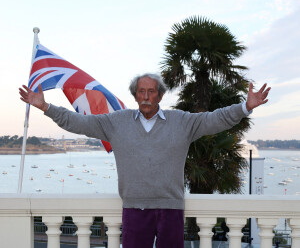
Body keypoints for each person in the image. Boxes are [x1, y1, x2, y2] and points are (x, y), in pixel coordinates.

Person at [19, 73, 270, 248]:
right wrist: (46, 106)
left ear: (160, 95)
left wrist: (245, 107)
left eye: (151, 91)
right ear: (136, 95)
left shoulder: (182, 121)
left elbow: (216, 119)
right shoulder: (115, 122)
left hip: (171, 208)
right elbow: (79, 122)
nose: (146, 96)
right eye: (141, 91)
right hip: (134, 209)